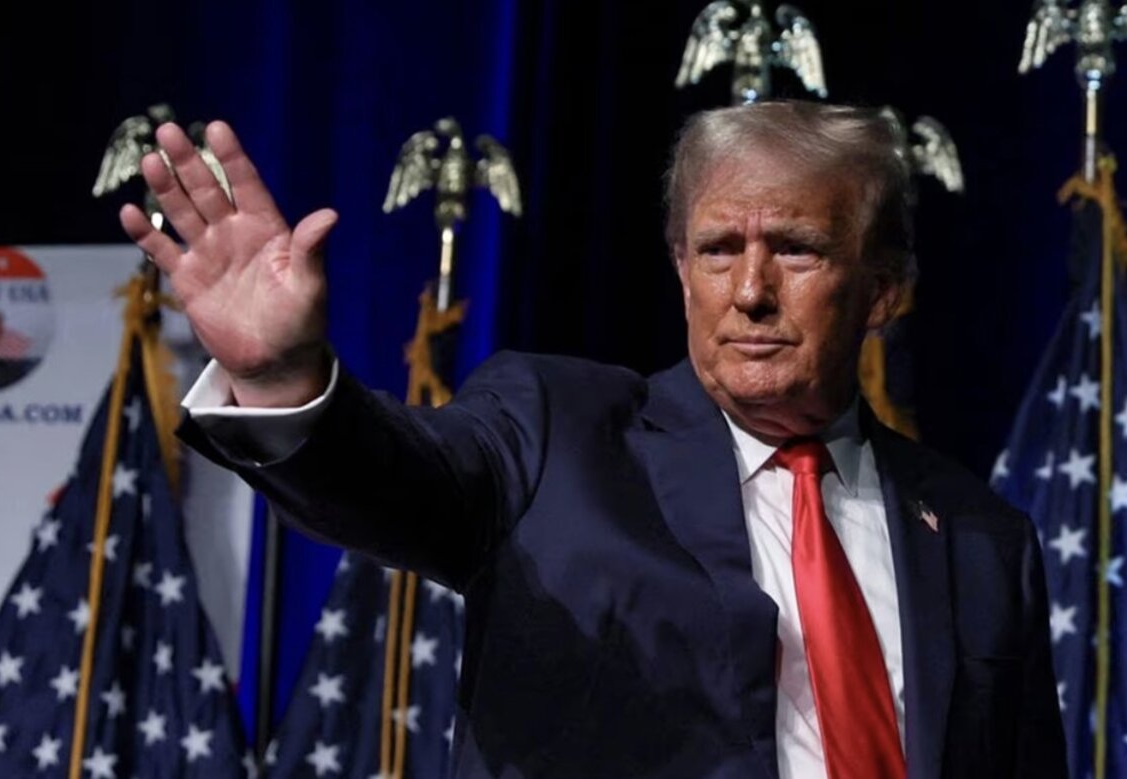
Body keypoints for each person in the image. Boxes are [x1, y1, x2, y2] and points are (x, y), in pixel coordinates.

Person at [121, 101, 1067, 779]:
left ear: (884, 290)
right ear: (680, 270)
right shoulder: (554, 430)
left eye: (796, 248)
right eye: (717, 249)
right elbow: (390, 482)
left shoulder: (981, 538)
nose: (750, 291)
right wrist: (285, 377)